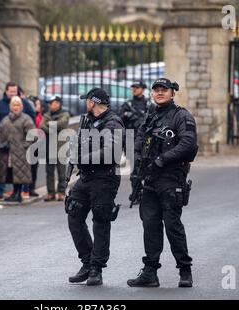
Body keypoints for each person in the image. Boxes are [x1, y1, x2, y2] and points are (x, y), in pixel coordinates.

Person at [127, 78, 198, 288]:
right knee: (150, 226)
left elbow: (188, 144)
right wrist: (139, 159)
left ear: (172, 93)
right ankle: (150, 273)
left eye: (163, 90)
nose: (159, 93)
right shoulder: (150, 116)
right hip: (149, 179)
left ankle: (185, 271)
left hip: (170, 177)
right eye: (156, 90)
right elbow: (139, 141)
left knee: (173, 226)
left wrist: (163, 159)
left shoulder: (181, 116)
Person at [66, 88, 124, 286]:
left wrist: (82, 158)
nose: (85, 104)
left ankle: (96, 269)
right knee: (74, 215)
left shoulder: (113, 122)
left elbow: (111, 152)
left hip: (105, 179)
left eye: (87, 101)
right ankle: (87, 261)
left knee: (100, 221)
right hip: (87, 177)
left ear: (93, 102)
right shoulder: (88, 121)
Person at [0, 82, 36, 199]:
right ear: (10, 107)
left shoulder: (26, 119)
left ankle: (18, 194)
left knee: (20, 174)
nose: (15, 107)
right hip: (8, 152)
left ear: (21, 106)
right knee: (11, 173)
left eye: (17, 105)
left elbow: (33, 135)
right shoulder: (6, 119)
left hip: (21, 152)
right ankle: (14, 193)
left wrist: (25, 145)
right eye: (13, 105)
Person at [119, 81, 155, 203]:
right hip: (130, 139)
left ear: (143, 89)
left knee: (146, 167)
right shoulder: (127, 104)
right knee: (134, 168)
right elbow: (119, 121)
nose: (134, 89)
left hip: (145, 140)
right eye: (133, 87)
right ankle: (137, 192)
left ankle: (146, 192)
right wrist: (126, 115)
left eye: (137, 87)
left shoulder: (149, 105)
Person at [40, 96, 70, 202]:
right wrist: (52, 127)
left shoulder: (65, 114)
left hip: (61, 147)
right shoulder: (47, 114)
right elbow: (41, 125)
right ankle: (51, 193)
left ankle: (61, 192)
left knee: (62, 172)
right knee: (49, 172)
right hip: (50, 147)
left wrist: (49, 124)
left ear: (58, 103)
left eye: (51, 103)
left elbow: (62, 124)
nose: (49, 105)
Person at [28, 95, 43, 197]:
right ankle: (27, 188)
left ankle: (32, 187)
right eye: (37, 104)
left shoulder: (40, 116)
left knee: (34, 166)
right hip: (29, 143)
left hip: (37, 144)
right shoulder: (30, 116)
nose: (39, 106)